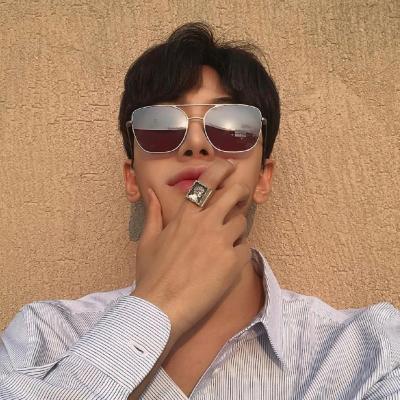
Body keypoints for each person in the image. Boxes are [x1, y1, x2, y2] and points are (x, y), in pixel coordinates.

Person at [0, 22, 399, 400]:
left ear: (263, 179)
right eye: (160, 125)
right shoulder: (43, 336)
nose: (195, 143)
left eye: (231, 125)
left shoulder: (370, 351)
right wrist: (157, 306)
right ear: (132, 179)